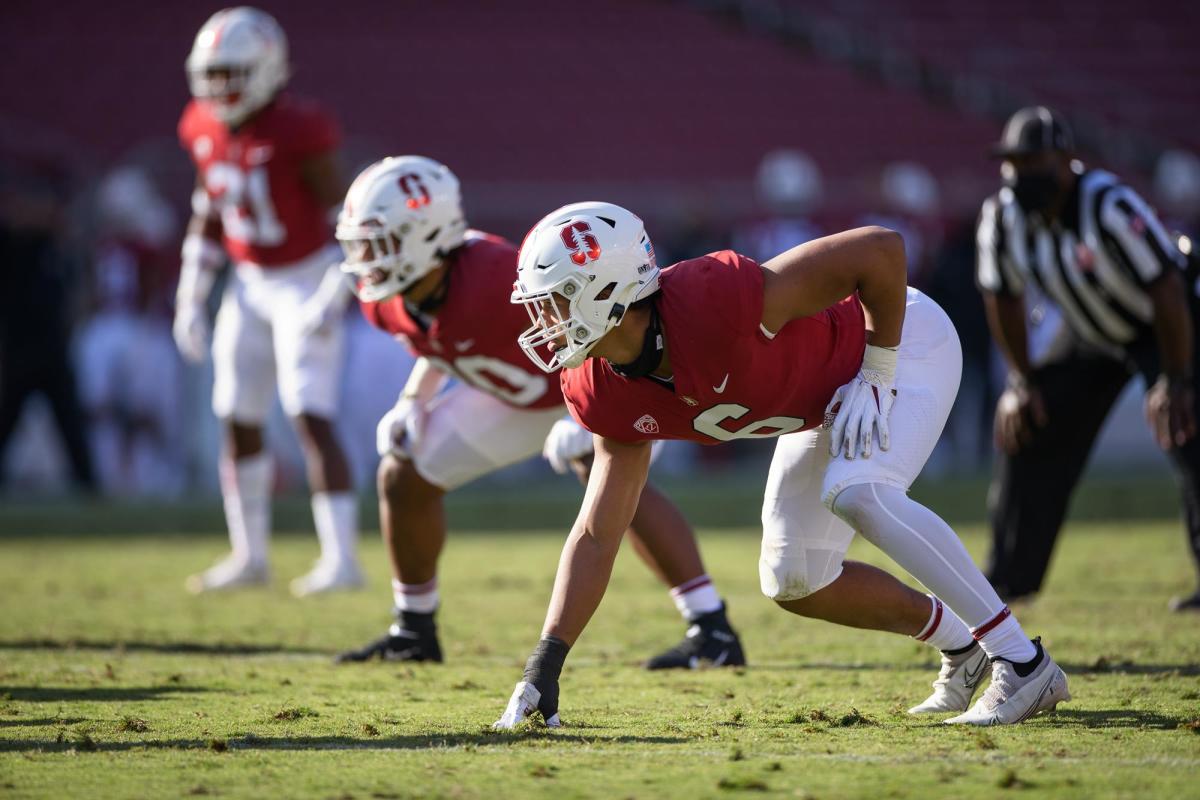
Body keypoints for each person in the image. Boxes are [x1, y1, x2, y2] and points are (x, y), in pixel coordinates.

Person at [496, 202, 1071, 729]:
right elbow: (597, 534)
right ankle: (962, 647)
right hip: (824, 405)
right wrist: (545, 664)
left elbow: (881, 250)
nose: (545, 317)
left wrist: (879, 369)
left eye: (558, 297)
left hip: (902, 345)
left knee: (858, 491)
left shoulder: (708, 301)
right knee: (795, 578)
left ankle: (1023, 663)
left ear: (609, 291)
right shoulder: (599, 388)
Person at [333, 157, 744, 667]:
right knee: (403, 473)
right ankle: (413, 629)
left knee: (610, 479)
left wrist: (587, 413)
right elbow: (437, 342)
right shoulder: (390, 298)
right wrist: (413, 399)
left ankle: (712, 627)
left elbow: (591, 326)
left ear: (428, 235)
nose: (367, 259)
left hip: (592, 379)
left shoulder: (492, 275)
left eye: (382, 243)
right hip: (519, 398)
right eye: (363, 244)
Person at [975, 106, 1200, 611]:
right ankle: (1008, 578)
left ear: (1067, 160)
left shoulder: (1108, 203)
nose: (1022, 175)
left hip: (1168, 323)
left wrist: (1177, 378)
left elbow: (1166, 288)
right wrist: (1022, 381)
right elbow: (1003, 296)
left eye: (1035, 162)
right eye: (1014, 163)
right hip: (1091, 332)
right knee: (1029, 424)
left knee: (1190, 430)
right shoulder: (1001, 217)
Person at [174, 7, 360, 596]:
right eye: (213, 73)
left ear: (267, 69)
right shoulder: (200, 126)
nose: (220, 87)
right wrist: (191, 293)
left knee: (310, 413)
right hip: (249, 281)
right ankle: (250, 555)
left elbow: (348, 220)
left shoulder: (300, 129)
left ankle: (342, 560)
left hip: (307, 275)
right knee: (236, 413)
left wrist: (340, 283)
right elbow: (209, 212)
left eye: (233, 73)